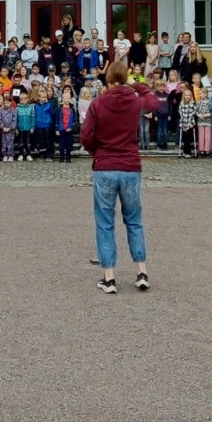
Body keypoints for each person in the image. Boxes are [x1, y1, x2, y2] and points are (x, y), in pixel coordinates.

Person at [81, 60, 163, 293]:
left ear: (107, 78)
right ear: (126, 77)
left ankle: (109, 277)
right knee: (134, 220)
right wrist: (137, 85)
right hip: (129, 165)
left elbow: (86, 135)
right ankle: (141, 271)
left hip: (106, 165)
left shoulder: (98, 102)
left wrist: (96, 150)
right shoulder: (135, 100)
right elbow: (154, 102)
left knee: (105, 222)